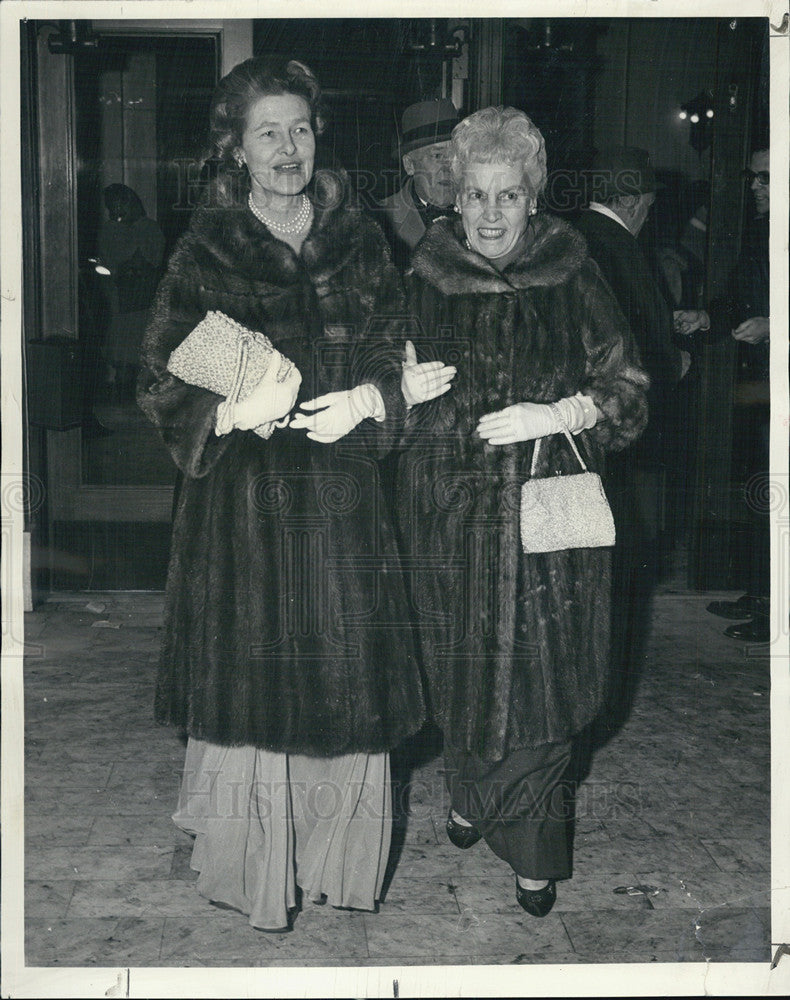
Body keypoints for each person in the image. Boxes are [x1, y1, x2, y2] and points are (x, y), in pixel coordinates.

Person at [137, 57, 430, 932]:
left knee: (346, 679)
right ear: (236, 147)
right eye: (268, 132)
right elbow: (157, 376)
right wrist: (227, 412)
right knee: (252, 689)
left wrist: (372, 401)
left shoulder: (362, 236)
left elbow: (392, 348)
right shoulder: (206, 247)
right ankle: (254, 868)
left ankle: (335, 864)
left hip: (343, 500)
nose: (288, 148)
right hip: (243, 512)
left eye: (300, 128)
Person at [397, 107, 649, 915]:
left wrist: (567, 412)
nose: (493, 212)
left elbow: (631, 390)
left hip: (550, 530)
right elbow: (378, 387)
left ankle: (535, 853)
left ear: (534, 198)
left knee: (544, 695)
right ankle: (472, 797)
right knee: (461, 678)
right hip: (448, 519)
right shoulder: (424, 274)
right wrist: (401, 394)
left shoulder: (573, 271)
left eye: (510, 194)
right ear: (456, 201)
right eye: (478, 195)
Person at [574, 148, 691, 708]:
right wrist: (674, 361)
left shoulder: (577, 236)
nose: (647, 213)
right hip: (619, 424)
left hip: (587, 423)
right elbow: (636, 344)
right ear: (634, 202)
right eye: (646, 203)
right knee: (625, 547)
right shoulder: (620, 243)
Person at [674, 147, 770, 642]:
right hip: (762, 386)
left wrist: (775, 327)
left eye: (766, 178)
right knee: (762, 488)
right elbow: (739, 296)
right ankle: (762, 594)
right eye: (752, 176)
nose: (755, 187)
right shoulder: (762, 230)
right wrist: (708, 316)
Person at [97, 184, 165, 400]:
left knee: (145, 343)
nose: (117, 208)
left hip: (146, 296)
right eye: (112, 204)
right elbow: (111, 262)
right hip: (121, 297)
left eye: (121, 202)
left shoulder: (149, 227)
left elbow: (152, 260)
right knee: (123, 345)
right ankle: (122, 392)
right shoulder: (109, 229)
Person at [380, 99, 459, 270]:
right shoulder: (380, 218)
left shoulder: (484, 214)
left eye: (455, 156)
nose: (449, 167)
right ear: (409, 165)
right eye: (437, 156)